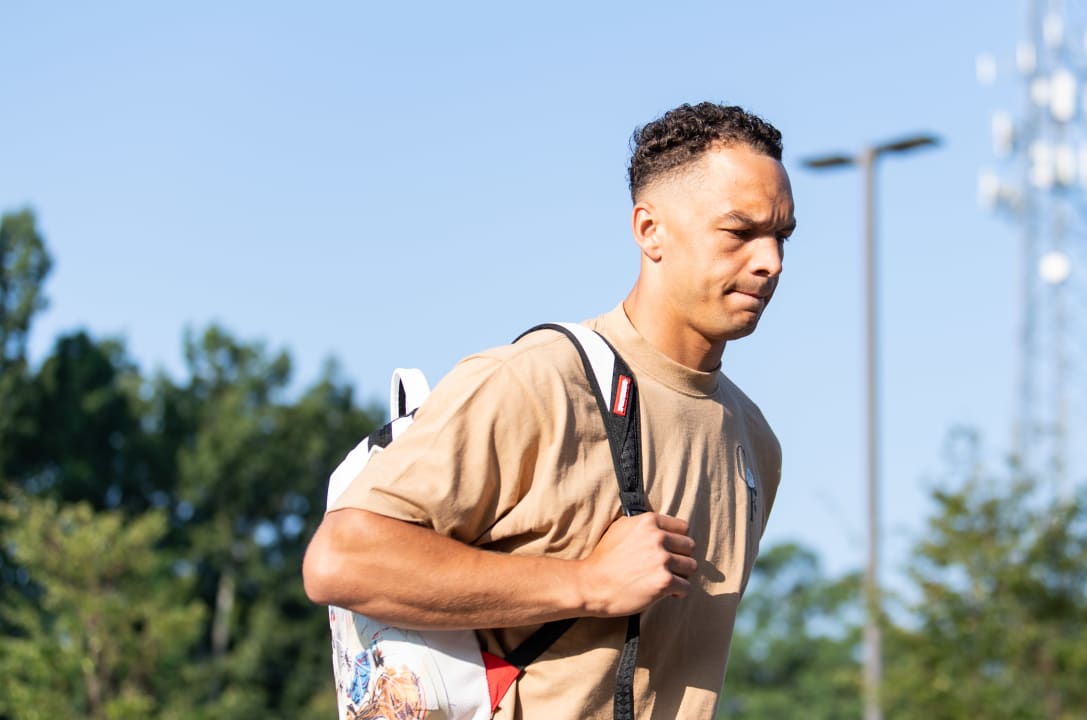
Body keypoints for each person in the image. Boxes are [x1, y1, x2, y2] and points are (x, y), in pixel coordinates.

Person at [302, 101, 796, 719]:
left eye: (782, 235)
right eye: (740, 232)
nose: (770, 261)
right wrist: (589, 583)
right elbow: (341, 558)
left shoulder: (756, 443)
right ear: (650, 230)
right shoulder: (540, 380)